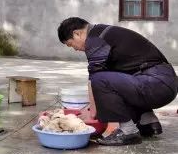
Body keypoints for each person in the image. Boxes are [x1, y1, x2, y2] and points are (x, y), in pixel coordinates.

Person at [57, 17, 177, 146]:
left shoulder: (94, 40)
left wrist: (92, 114)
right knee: (116, 77)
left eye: (71, 44)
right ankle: (147, 122)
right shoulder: (105, 33)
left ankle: (128, 131)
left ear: (77, 33)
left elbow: (95, 78)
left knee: (100, 79)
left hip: (155, 83)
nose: (74, 49)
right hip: (165, 83)